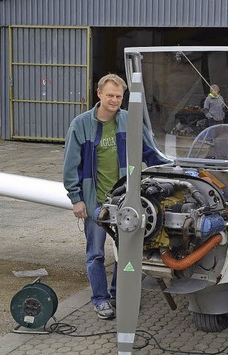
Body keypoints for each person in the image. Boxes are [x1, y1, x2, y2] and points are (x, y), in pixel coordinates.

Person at [63, 74, 168, 320]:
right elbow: (70, 166)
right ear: (99, 94)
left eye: (119, 96)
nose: (114, 100)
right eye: (110, 95)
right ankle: (100, 299)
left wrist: (175, 166)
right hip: (95, 201)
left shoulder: (129, 121)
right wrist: (76, 198)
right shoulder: (80, 124)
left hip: (125, 202)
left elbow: (151, 153)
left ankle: (119, 295)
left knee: (126, 253)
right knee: (96, 254)